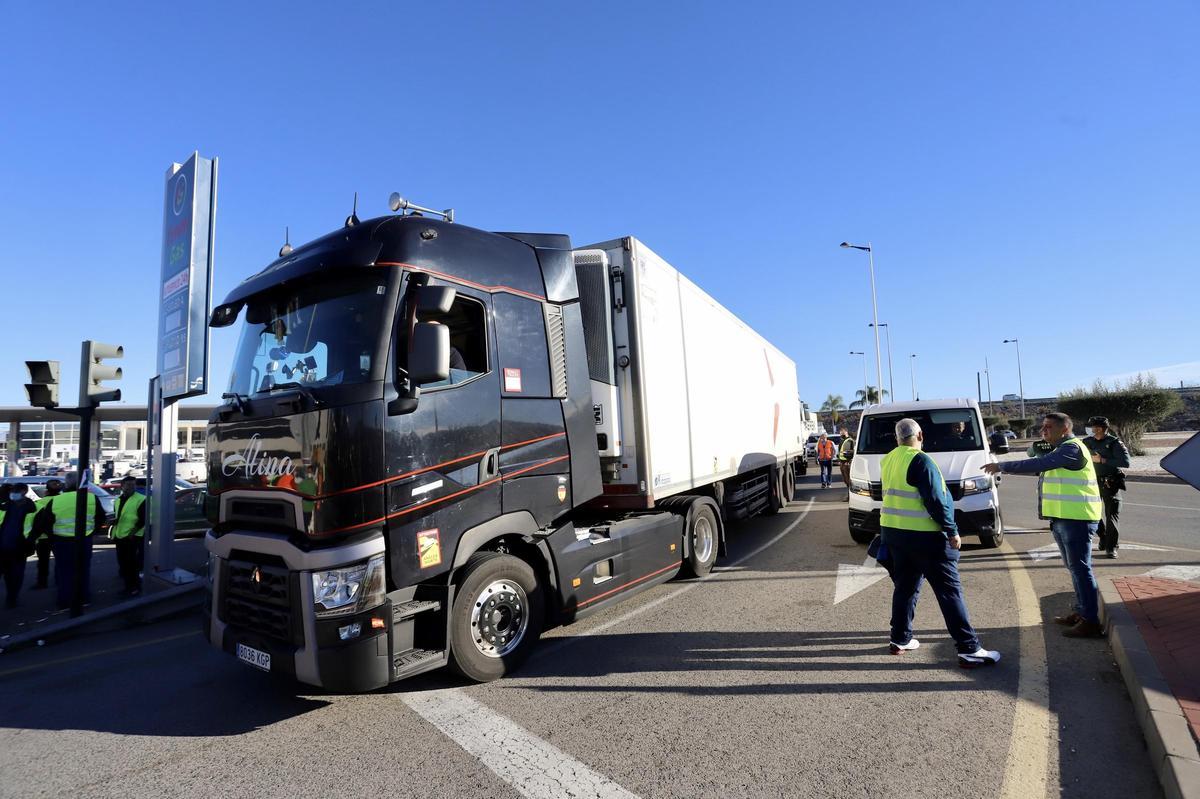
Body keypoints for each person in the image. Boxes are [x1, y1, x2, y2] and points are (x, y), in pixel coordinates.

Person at [880, 418, 1000, 667]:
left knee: (905, 588)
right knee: (949, 592)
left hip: (894, 535)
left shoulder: (889, 459)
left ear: (897, 438)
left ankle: (900, 639)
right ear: (920, 435)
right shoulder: (922, 460)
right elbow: (936, 500)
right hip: (926, 539)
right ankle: (969, 649)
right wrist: (952, 530)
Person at [983, 412, 1104, 637]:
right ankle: (1081, 611)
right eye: (1043, 427)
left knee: (1080, 568)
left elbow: (1042, 463)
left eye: (1048, 427)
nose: (1043, 431)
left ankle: (1091, 620)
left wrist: (1002, 466)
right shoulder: (1061, 448)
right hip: (1063, 518)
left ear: (1065, 429)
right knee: (1075, 569)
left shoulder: (1072, 448)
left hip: (1077, 518)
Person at [33, 472, 105, 611]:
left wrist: (53, 537)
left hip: (62, 541)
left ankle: (65, 601)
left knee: (64, 572)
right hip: (84, 540)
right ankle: (83, 598)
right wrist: (92, 532)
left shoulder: (57, 500)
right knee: (83, 570)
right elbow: (100, 518)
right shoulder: (91, 498)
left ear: (66, 484)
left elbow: (45, 523)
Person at [1082, 416, 1130, 559]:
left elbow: (1125, 462)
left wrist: (1102, 460)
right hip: (1091, 483)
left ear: (1101, 429)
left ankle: (1112, 547)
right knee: (1092, 514)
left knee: (1111, 515)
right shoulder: (1087, 442)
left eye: (1094, 427)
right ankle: (1103, 537)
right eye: (1091, 427)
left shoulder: (1114, 442)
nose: (1091, 429)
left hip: (1110, 483)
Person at [0, 485, 37, 608]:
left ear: (24, 492)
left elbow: (37, 528)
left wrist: (30, 543)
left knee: (15, 576)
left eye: (17, 491)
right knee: (14, 575)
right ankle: (12, 598)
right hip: (9, 547)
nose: (14, 493)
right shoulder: (5, 506)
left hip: (19, 548)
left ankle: (12, 598)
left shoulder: (33, 508)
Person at [111, 476, 147, 596]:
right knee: (124, 564)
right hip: (120, 536)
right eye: (129, 485)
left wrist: (133, 532)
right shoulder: (118, 500)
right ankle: (129, 587)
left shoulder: (141, 499)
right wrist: (114, 521)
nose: (132, 487)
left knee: (131, 565)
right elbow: (120, 515)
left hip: (132, 537)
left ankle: (133, 588)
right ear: (122, 486)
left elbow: (143, 519)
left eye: (133, 485)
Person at [30, 478, 64, 589]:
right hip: (59, 535)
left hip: (42, 537)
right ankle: (59, 580)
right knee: (60, 560)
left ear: (46, 490)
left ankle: (42, 582)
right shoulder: (63, 501)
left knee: (43, 562)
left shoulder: (39, 503)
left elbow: (34, 521)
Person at [837, 427, 855, 502]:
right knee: (846, 481)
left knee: (849, 481)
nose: (841, 434)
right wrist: (839, 460)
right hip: (842, 463)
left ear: (846, 432)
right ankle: (849, 496)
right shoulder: (842, 441)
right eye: (840, 433)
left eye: (842, 432)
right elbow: (840, 452)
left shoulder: (850, 441)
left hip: (847, 463)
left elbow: (853, 451)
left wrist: (850, 460)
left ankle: (851, 497)